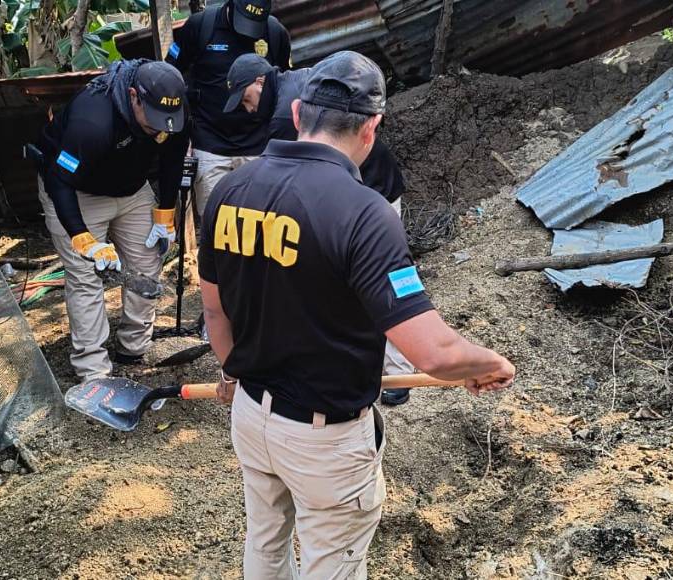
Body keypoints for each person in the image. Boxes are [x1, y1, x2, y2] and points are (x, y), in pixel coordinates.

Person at [198, 51, 516, 579]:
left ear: (298, 114)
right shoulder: (364, 212)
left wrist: (235, 373)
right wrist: (488, 362)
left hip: (251, 415)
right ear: (372, 127)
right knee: (331, 563)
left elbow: (214, 309)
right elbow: (434, 353)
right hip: (325, 439)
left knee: (265, 542)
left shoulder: (231, 190)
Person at [223, 52, 415, 406]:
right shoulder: (300, 86)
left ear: (260, 82)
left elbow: (289, 181)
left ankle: (395, 371)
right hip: (347, 193)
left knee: (379, 283)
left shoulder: (287, 119)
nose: (246, 109)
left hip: (370, 194)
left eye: (246, 99)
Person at [37, 59, 189, 380]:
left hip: (131, 189)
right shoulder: (92, 121)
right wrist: (83, 239)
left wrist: (165, 213)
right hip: (77, 192)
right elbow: (58, 180)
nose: (163, 131)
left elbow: (173, 159)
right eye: (155, 124)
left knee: (148, 262)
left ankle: (133, 346)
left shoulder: (171, 112)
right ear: (134, 96)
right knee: (85, 276)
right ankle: (93, 368)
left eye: (168, 123)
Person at [165, 0, 291, 218]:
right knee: (215, 223)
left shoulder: (274, 31)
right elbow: (169, 74)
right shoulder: (200, 26)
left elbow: (283, 83)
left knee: (261, 223)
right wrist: (180, 130)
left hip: (258, 146)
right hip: (210, 144)